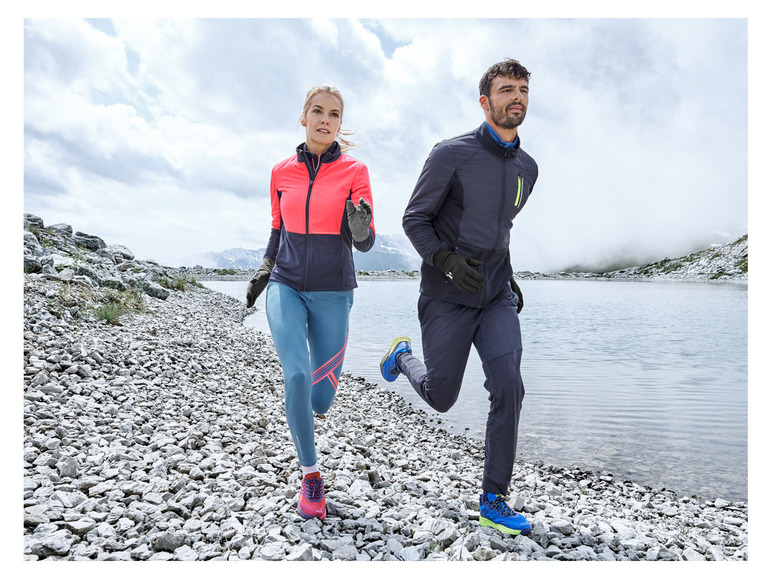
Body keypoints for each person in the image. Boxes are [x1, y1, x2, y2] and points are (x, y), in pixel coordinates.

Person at [380, 59, 538, 536]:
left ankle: (493, 498)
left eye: (522, 89)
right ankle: (403, 357)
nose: (517, 97)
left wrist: (507, 275)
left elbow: (501, 229)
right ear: (485, 101)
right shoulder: (450, 153)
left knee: (509, 386)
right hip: (446, 294)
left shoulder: (528, 169)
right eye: (506, 89)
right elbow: (414, 219)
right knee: (442, 397)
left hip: (495, 296)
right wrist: (446, 261)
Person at [246, 84, 375, 520]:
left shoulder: (355, 171)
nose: (325, 119)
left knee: (320, 401)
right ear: (304, 118)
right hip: (286, 284)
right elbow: (276, 228)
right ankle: (311, 477)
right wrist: (265, 269)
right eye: (318, 111)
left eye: (334, 114)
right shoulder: (280, 172)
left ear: (340, 124)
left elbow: (366, 242)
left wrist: (360, 227)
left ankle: (317, 412)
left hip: (334, 289)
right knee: (297, 377)